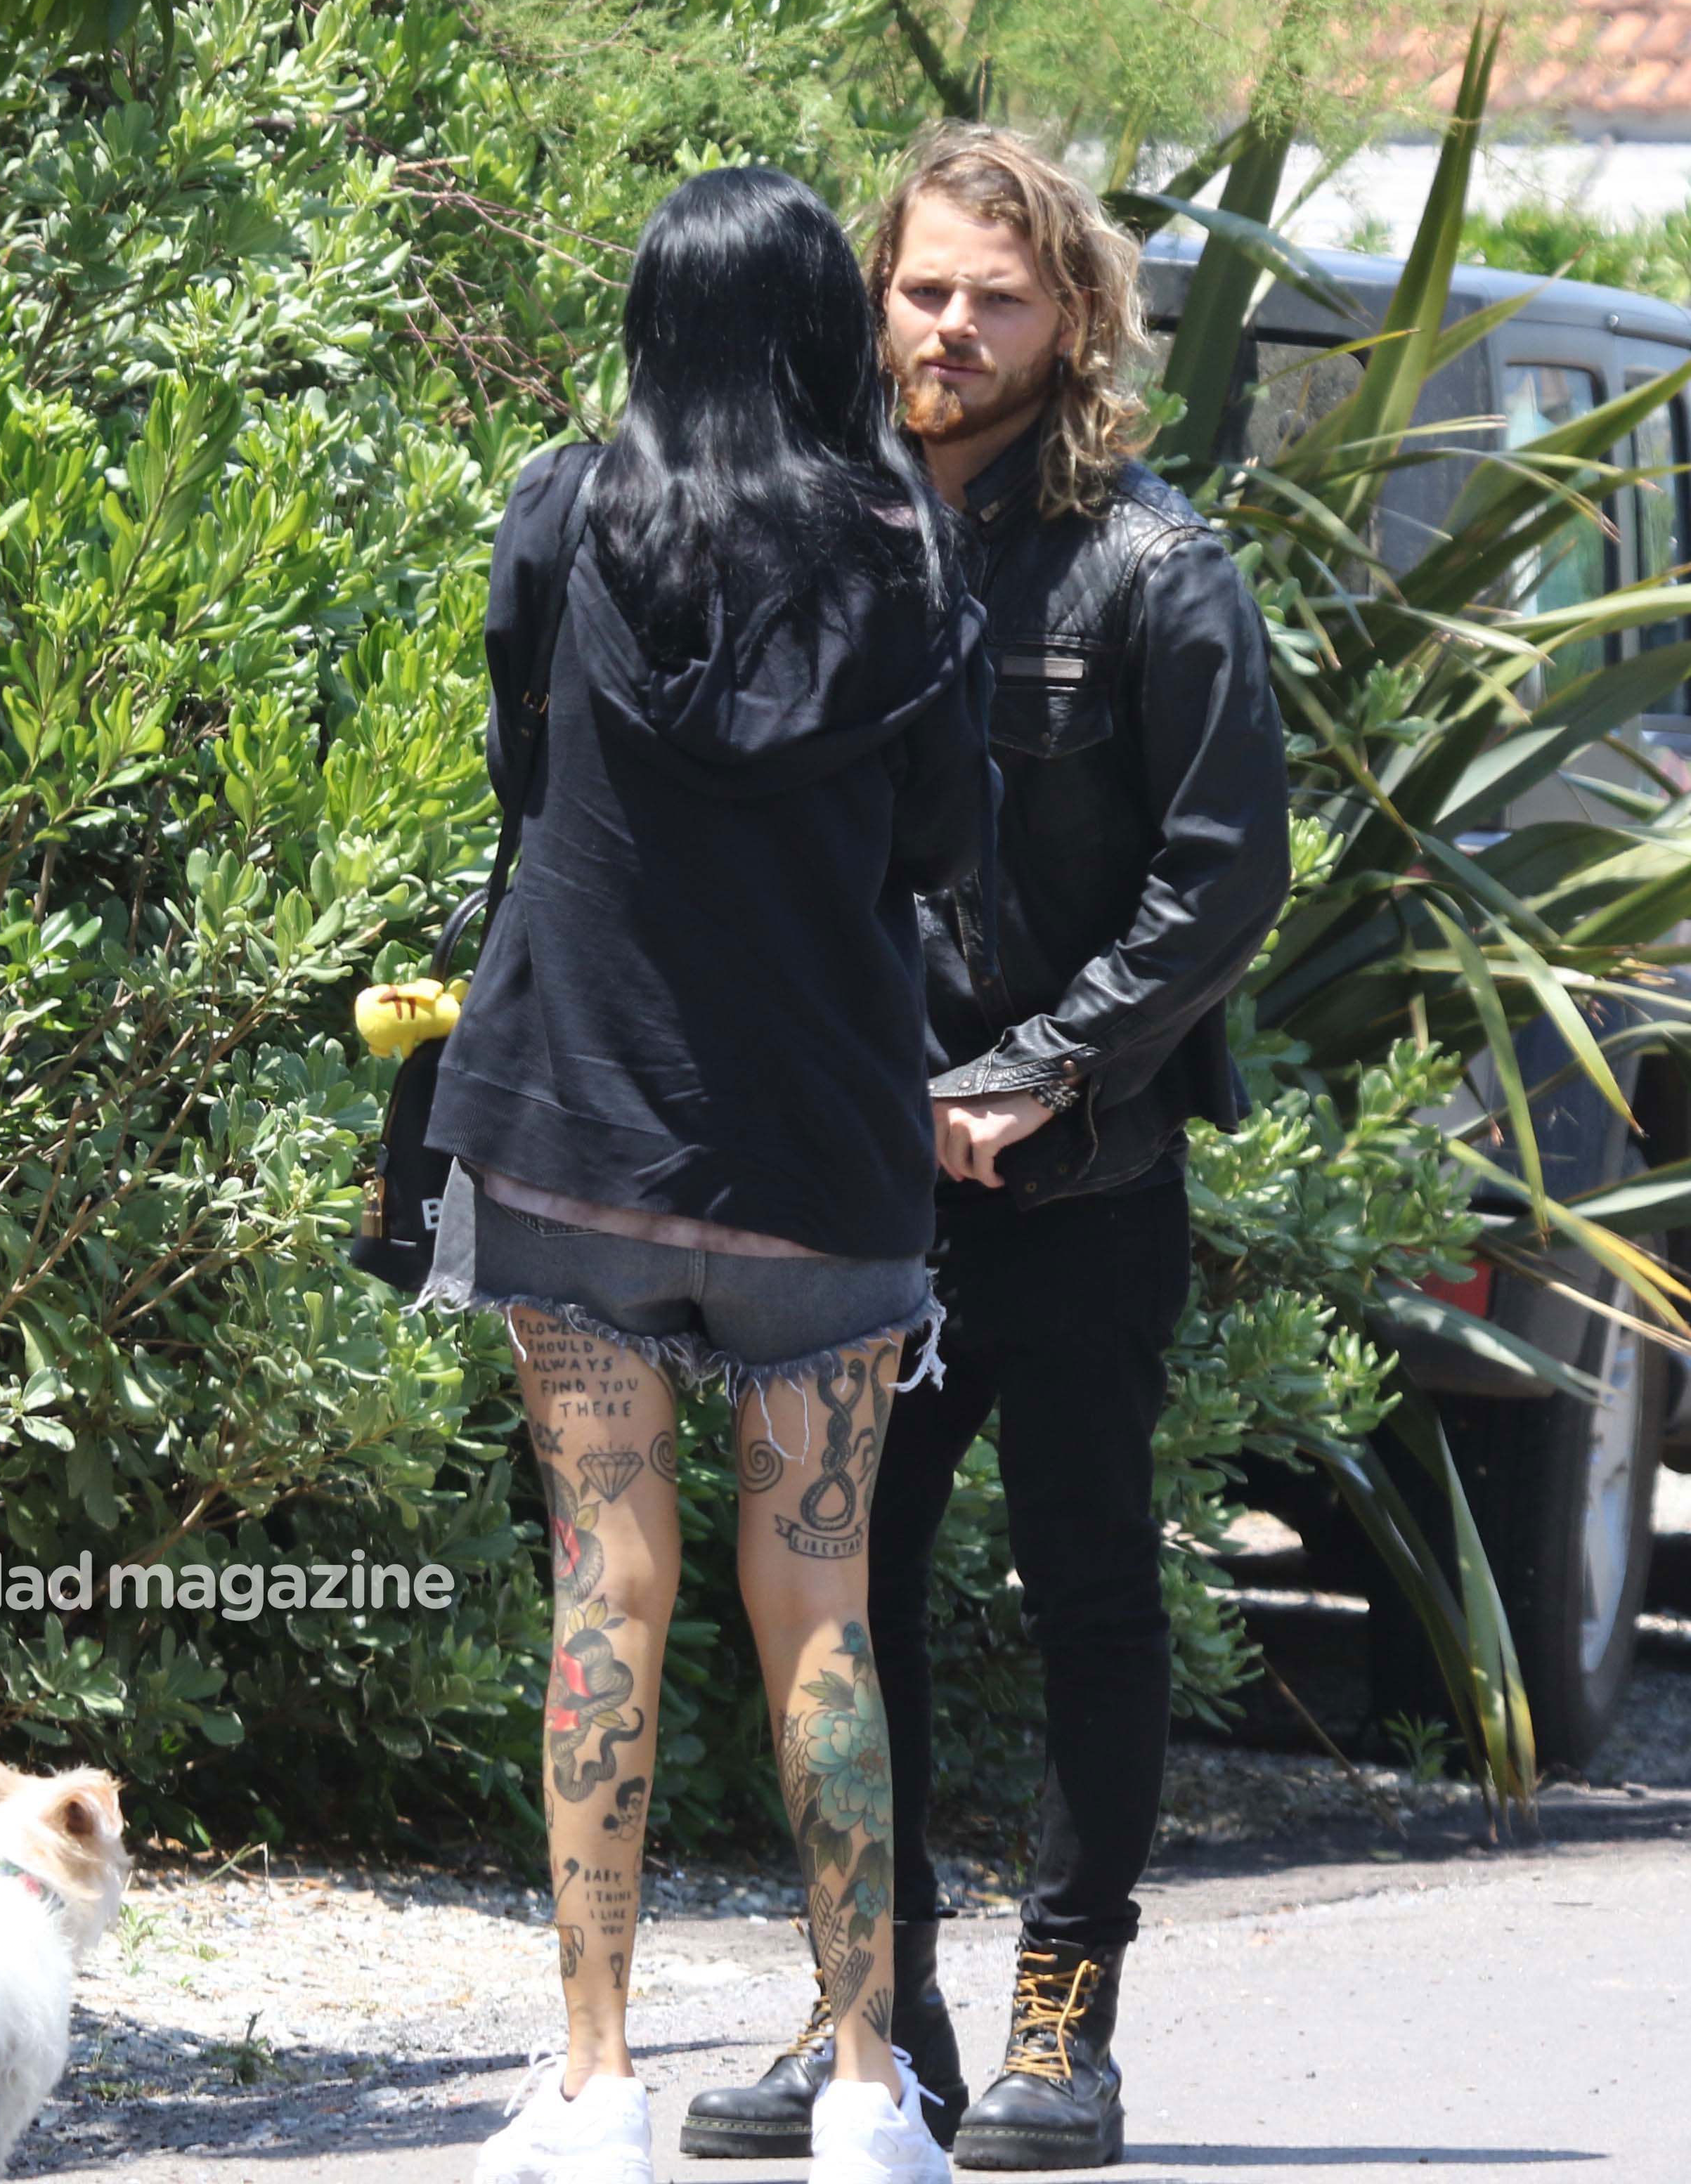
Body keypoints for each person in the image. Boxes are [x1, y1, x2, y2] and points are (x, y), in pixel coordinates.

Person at [681, 128, 1290, 2173]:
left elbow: (1221, 879)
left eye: (998, 300)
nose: (951, 329)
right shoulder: (822, 533)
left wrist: (1039, 1070)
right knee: (838, 1601)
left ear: (1074, 323)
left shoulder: (1156, 566)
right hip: (854, 1180)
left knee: (1092, 1589)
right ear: (879, 292)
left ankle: (1067, 2018)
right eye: (925, 289)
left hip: (1077, 1184)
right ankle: (885, 2017)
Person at [421, 163, 994, 2184]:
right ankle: (867, 2090)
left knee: (610, 1584)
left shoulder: (565, 513)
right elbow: (941, 846)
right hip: (822, 1157)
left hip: (577, 1124)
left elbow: (519, 766)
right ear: (836, 329)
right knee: (815, 1604)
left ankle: (588, 2085)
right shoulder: (908, 548)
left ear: (655, 327)